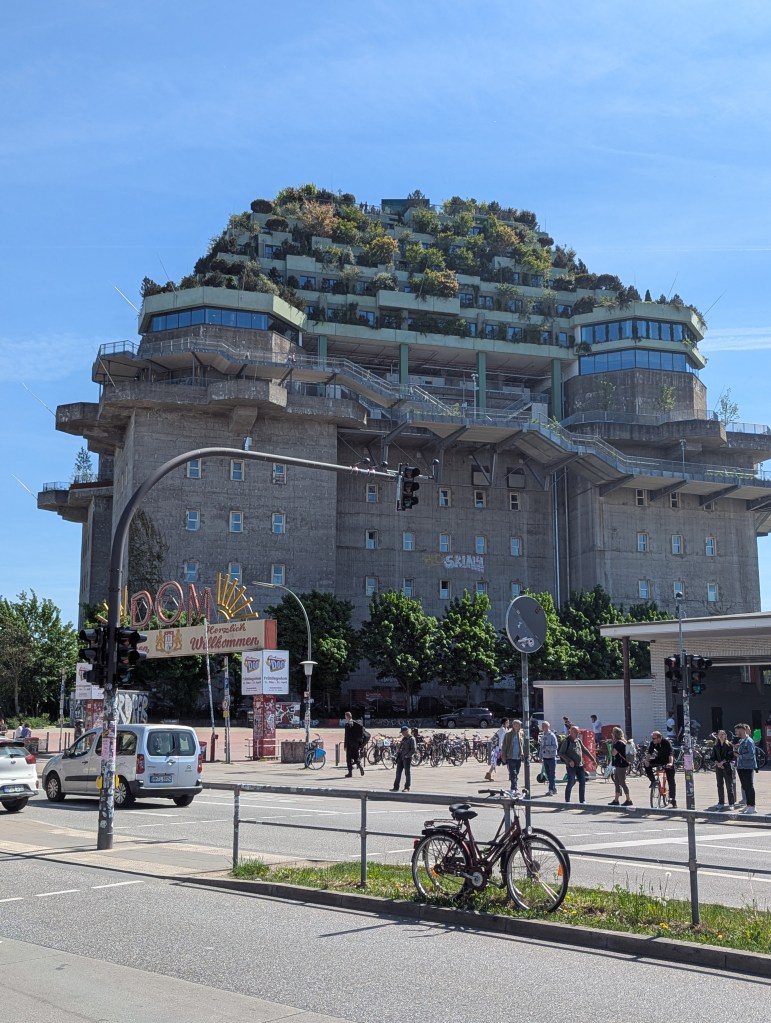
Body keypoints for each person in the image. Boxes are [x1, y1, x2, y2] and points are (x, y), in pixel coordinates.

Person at [558, 725, 597, 804]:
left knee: (582, 782)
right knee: (571, 781)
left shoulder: (578, 740)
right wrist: (569, 761)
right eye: (576, 732)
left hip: (579, 765)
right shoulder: (567, 741)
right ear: (571, 733)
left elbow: (585, 750)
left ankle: (582, 800)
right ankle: (567, 800)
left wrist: (593, 759)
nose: (577, 733)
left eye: (578, 732)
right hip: (571, 766)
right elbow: (561, 753)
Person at [644, 731, 677, 808]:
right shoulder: (653, 743)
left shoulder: (666, 742)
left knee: (671, 781)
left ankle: (673, 800)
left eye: (654, 738)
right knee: (646, 764)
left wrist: (670, 763)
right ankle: (653, 781)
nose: (653, 740)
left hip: (668, 760)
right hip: (660, 759)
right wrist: (646, 761)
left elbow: (671, 753)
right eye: (652, 738)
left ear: (659, 738)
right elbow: (649, 753)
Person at [733, 723, 757, 815]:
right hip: (741, 766)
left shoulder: (749, 741)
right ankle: (748, 805)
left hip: (747, 766)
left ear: (742, 730)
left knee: (749, 786)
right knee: (745, 786)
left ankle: (752, 806)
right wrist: (736, 749)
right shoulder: (741, 740)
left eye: (737, 731)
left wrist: (740, 755)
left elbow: (751, 754)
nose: (736, 733)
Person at [608, 726, 633, 806]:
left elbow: (613, 753)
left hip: (621, 765)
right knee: (617, 782)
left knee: (622, 782)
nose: (611, 734)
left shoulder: (618, 743)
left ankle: (628, 800)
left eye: (612, 733)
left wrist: (612, 744)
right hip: (622, 764)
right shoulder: (623, 741)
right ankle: (616, 800)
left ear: (615, 735)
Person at [711, 729, 736, 810]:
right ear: (717, 736)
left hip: (727, 767)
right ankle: (721, 802)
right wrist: (718, 763)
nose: (721, 736)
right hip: (718, 767)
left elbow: (731, 756)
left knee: (729, 785)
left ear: (725, 736)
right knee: (719, 785)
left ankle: (731, 803)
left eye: (723, 734)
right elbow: (712, 757)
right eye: (719, 734)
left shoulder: (729, 745)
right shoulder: (715, 746)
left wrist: (722, 762)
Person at [501, 719, 524, 792]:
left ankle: (514, 786)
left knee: (516, 773)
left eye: (520, 725)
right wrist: (503, 756)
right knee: (513, 773)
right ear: (514, 726)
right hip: (510, 757)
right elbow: (504, 746)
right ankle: (514, 788)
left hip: (518, 757)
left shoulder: (521, 733)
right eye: (518, 725)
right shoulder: (508, 734)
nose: (520, 726)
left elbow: (524, 745)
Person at [392, 725, 417, 793]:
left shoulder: (412, 739)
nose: (402, 733)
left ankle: (407, 787)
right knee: (398, 773)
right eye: (402, 732)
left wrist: (407, 756)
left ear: (406, 731)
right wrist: (397, 753)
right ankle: (396, 787)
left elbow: (414, 749)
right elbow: (400, 748)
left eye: (403, 732)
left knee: (407, 773)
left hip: (407, 758)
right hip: (400, 758)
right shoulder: (404, 739)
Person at [342, 711, 367, 778]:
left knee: (348, 758)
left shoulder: (347, 724)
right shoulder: (355, 723)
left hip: (350, 744)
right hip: (356, 743)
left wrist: (345, 746)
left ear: (347, 716)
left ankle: (350, 773)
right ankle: (360, 766)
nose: (345, 717)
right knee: (356, 757)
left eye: (345, 716)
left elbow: (346, 736)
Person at [484, 717, 508, 782]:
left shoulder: (505, 729)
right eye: (507, 722)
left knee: (505, 761)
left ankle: (511, 775)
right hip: (500, 749)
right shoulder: (502, 730)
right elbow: (501, 740)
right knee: (499, 761)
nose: (508, 723)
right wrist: (501, 749)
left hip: (501, 749)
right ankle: (488, 774)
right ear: (505, 723)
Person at [538, 720, 558, 796]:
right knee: (548, 775)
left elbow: (555, 747)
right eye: (542, 726)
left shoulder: (552, 735)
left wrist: (547, 748)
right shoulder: (543, 736)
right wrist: (540, 756)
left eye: (544, 726)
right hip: (545, 758)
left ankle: (551, 790)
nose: (543, 727)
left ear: (548, 727)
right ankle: (554, 788)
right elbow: (541, 747)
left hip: (552, 758)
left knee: (551, 774)